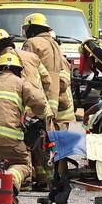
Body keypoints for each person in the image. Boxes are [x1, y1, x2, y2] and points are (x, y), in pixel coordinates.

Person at [0, 52, 48, 195]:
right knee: (23, 164)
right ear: (18, 70)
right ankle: (9, 182)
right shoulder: (20, 82)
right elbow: (39, 102)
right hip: (5, 133)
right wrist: (41, 116)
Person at [21, 13, 68, 183]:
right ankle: (48, 179)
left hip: (38, 96)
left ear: (32, 29)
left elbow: (26, 68)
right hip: (54, 100)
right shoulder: (55, 45)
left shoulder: (32, 43)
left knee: (32, 137)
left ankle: (31, 177)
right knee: (49, 140)